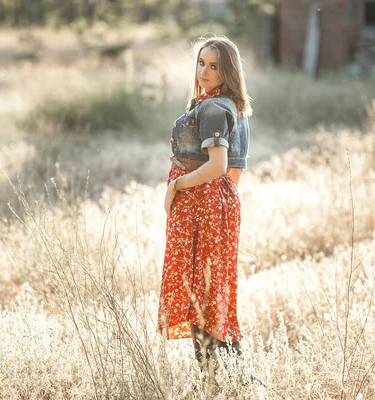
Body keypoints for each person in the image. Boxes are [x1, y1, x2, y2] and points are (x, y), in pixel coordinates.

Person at [157, 36, 254, 383]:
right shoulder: (233, 106)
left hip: (201, 205)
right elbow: (234, 174)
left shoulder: (214, 107)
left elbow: (218, 166)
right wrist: (225, 224)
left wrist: (177, 186)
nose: (205, 72)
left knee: (199, 297)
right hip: (216, 207)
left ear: (228, 70)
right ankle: (236, 382)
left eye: (214, 66)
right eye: (202, 63)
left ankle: (215, 383)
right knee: (215, 298)